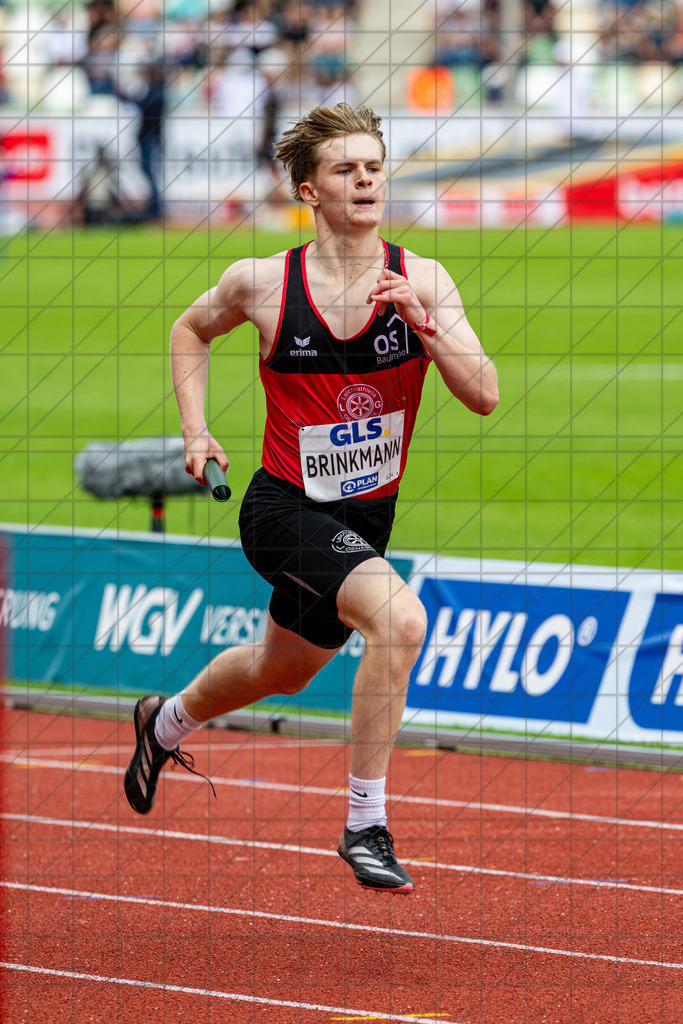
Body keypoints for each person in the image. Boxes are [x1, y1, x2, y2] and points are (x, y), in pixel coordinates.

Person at [124, 102, 499, 894]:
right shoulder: (262, 283)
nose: (364, 180)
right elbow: (190, 330)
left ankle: (163, 723)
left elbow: (484, 394)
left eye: (373, 166)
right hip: (280, 506)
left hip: (364, 517)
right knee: (399, 618)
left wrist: (426, 328)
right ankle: (365, 824)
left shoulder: (423, 279)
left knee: (281, 669)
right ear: (308, 190)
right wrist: (195, 432)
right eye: (344, 169)